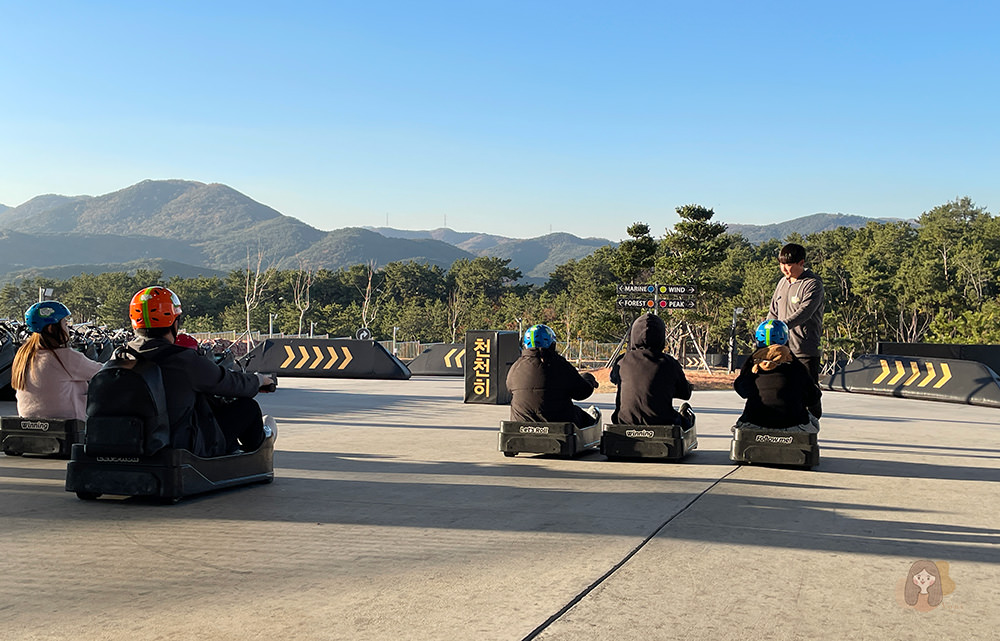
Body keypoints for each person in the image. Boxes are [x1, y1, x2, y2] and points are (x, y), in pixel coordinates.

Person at [121, 286, 274, 456]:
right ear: (174, 322)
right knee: (248, 407)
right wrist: (259, 380)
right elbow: (229, 382)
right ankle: (257, 456)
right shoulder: (183, 360)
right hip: (179, 444)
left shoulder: (120, 356)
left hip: (128, 440)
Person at [11, 301, 102, 421]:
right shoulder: (65, 357)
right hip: (67, 427)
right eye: (65, 324)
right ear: (51, 328)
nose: (68, 329)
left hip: (28, 425)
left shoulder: (23, 355)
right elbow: (104, 372)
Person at [767, 242, 824, 418]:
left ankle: (812, 425)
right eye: (782, 264)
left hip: (803, 348)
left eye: (789, 264)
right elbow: (773, 311)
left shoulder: (812, 284)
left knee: (808, 391)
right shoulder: (782, 283)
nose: (784, 268)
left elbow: (804, 313)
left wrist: (781, 326)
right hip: (780, 348)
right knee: (782, 388)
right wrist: (768, 329)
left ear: (801, 262)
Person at [506, 324, 600, 428]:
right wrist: (589, 379)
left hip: (521, 426)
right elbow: (581, 393)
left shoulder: (515, 367)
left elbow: (509, 388)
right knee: (585, 418)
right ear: (552, 344)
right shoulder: (559, 364)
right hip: (557, 427)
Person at [733, 320, 821, 431]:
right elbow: (812, 397)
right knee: (813, 422)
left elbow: (743, 391)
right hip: (793, 425)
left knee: (740, 427)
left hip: (755, 423)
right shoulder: (796, 365)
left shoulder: (752, 363)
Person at [610, 313, 694, 427]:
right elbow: (685, 394)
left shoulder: (622, 361)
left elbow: (614, 379)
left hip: (624, 422)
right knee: (687, 418)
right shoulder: (669, 363)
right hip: (663, 423)